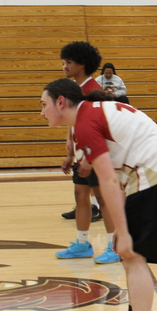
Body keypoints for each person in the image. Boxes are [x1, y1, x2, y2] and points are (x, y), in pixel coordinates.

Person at [40, 78, 157, 311]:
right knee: (129, 256)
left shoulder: (84, 123)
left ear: (60, 102)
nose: (41, 112)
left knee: (133, 256)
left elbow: (107, 181)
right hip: (154, 175)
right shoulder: (89, 115)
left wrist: (122, 231)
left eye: (43, 105)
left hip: (155, 177)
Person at [55, 41, 117, 264]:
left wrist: (91, 159)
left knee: (103, 199)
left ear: (82, 64)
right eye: (64, 62)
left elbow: (98, 129)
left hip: (94, 155)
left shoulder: (93, 92)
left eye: (69, 62)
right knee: (80, 196)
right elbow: (74, 123)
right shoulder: (73, 90)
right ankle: (82, 244)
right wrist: (70, 153)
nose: (64, 66)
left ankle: (114, 246)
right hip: (81, 153)